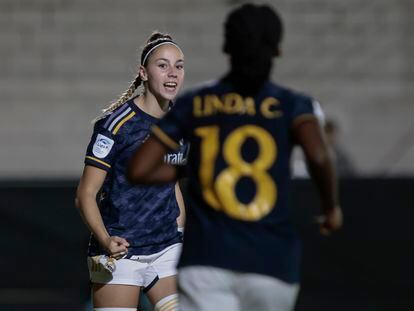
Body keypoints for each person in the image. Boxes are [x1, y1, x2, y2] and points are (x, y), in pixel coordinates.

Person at [127, 4, 343, 311]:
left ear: (227, 47)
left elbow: (139, 168)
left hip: (206, 261)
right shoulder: (294, 105)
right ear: (278, 50)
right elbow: (319, 157)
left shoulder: (195, 103)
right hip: (272, 262)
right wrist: (331, 208)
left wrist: (198, 168)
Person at [75, 31, 187, 311]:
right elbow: (85, 194)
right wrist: (105, 240)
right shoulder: (117, 126)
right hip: (121, 252)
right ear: (144, 73)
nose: (172, 73)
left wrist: (182, 231)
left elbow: (171, 183)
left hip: (166, 248)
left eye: (179, 65)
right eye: (162, 65)